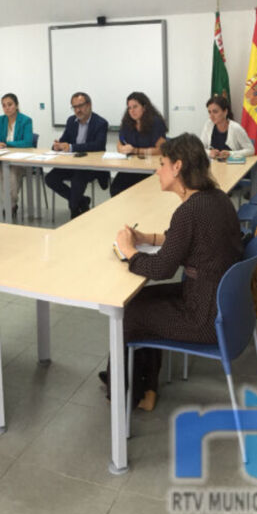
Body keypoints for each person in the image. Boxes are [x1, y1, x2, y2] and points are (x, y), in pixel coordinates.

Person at [105, 133, 243, 411]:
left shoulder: (189, 211)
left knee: (127, 314)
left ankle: (125, 396)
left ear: (178, 167)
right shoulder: (215, 198)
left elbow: (161, 268)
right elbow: (186, 239)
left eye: (163, 163)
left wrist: (129, 250)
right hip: (222, 306)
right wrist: (148, 238)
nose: (158, 170)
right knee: (138, 301)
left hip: (202, 318)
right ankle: (147, 388)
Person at [44, 91, 109, 218]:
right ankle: (81, 201)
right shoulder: (71, 121)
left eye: (80, 106)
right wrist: (57, 146)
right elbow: (64, 140)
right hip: (72, 163)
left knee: (77, 180)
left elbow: (98, 146)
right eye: (74, 107)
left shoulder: (101, 123)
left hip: (91, 166)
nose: (77, 110)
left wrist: (72, 147)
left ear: (89, 105)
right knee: (50, 178)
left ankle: (74, 209)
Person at [0, 93, 34, 218]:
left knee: (11, 176)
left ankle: (10, 205)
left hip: (20, 160)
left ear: (16, 105)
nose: (7, 108)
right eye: (4, 105)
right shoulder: (0, 120)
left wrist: (7, 143)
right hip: (3, 159)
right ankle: (10, 204)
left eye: (10, 104)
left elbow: (28, 142)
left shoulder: (26, 120)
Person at [111, 91, 168, 197]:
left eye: (135, 107)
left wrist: (135, 151)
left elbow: (161, 150)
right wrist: (122, 149)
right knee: (116, 188)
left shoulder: (156, 122)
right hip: (132, 166)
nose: (132, 111)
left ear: (144, 107)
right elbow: (120, 143)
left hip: (151, 168)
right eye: (129, 108)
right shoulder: (127, 122)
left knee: (142, 193)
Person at [200, 94, 255, 160]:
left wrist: (231, 154)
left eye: (215, 112)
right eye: (209, 112)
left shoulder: (235, 128)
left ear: (225, 112)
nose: (211, 116)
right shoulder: (208, 125)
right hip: (215, 166)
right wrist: (210, 152)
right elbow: (200, 148)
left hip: (235, 167)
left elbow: (251, 150)